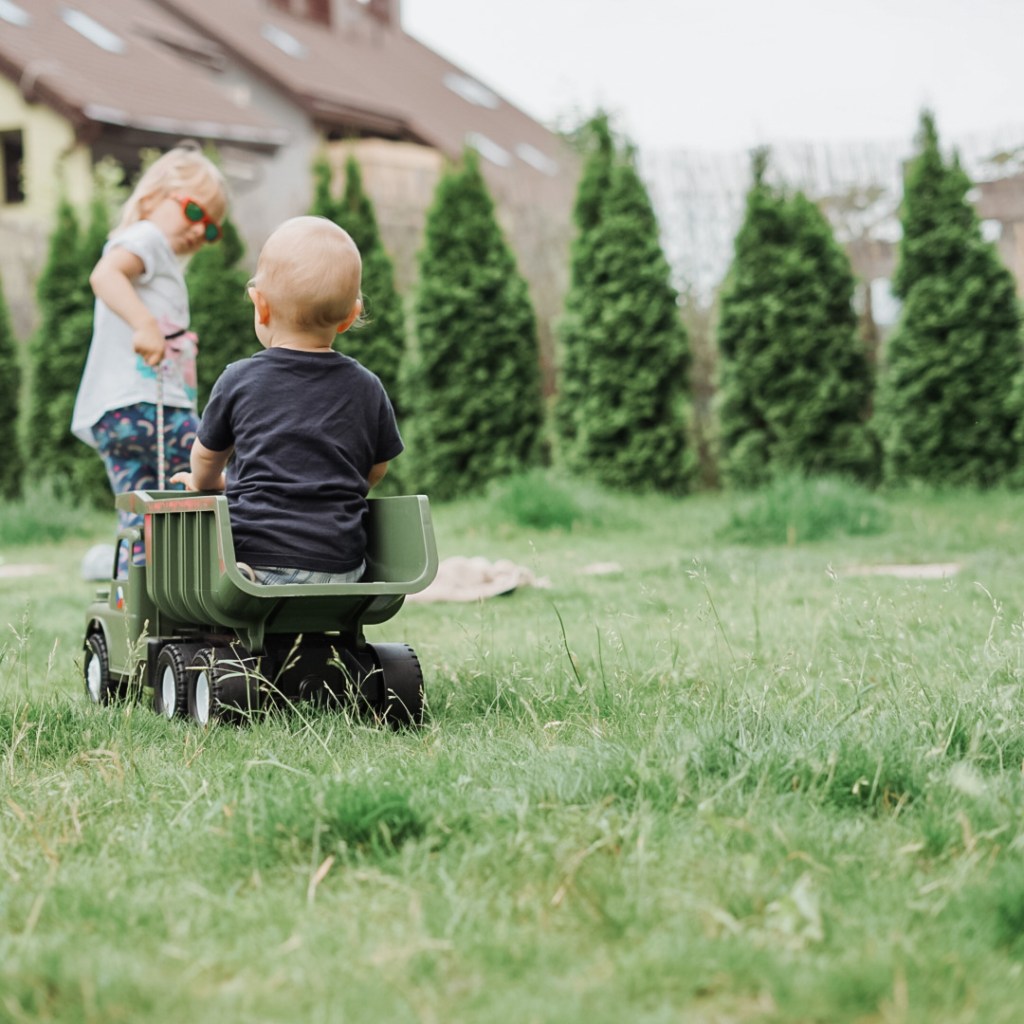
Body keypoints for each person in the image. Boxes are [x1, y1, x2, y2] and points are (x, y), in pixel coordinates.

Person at [171, 216, 403, 585]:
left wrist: (207, 482)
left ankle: (244, 580)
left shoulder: (239, 379)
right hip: (346, 566)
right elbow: (377, 468)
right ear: (350, 317)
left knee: (205, 560)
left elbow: (205, 457)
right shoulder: (368, 386)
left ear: (259, 306)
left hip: (260, 555)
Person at [72, 143, 228, 574]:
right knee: (219, 464)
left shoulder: (163, 261)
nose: (201, 231)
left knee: (140, 516)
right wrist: (143, 323)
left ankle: (135, 606)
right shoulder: (148, 238)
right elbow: (105, 274)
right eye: (195, 213)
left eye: (211, 229)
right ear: (152, 197)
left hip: (114, 416)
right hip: (142, 405)